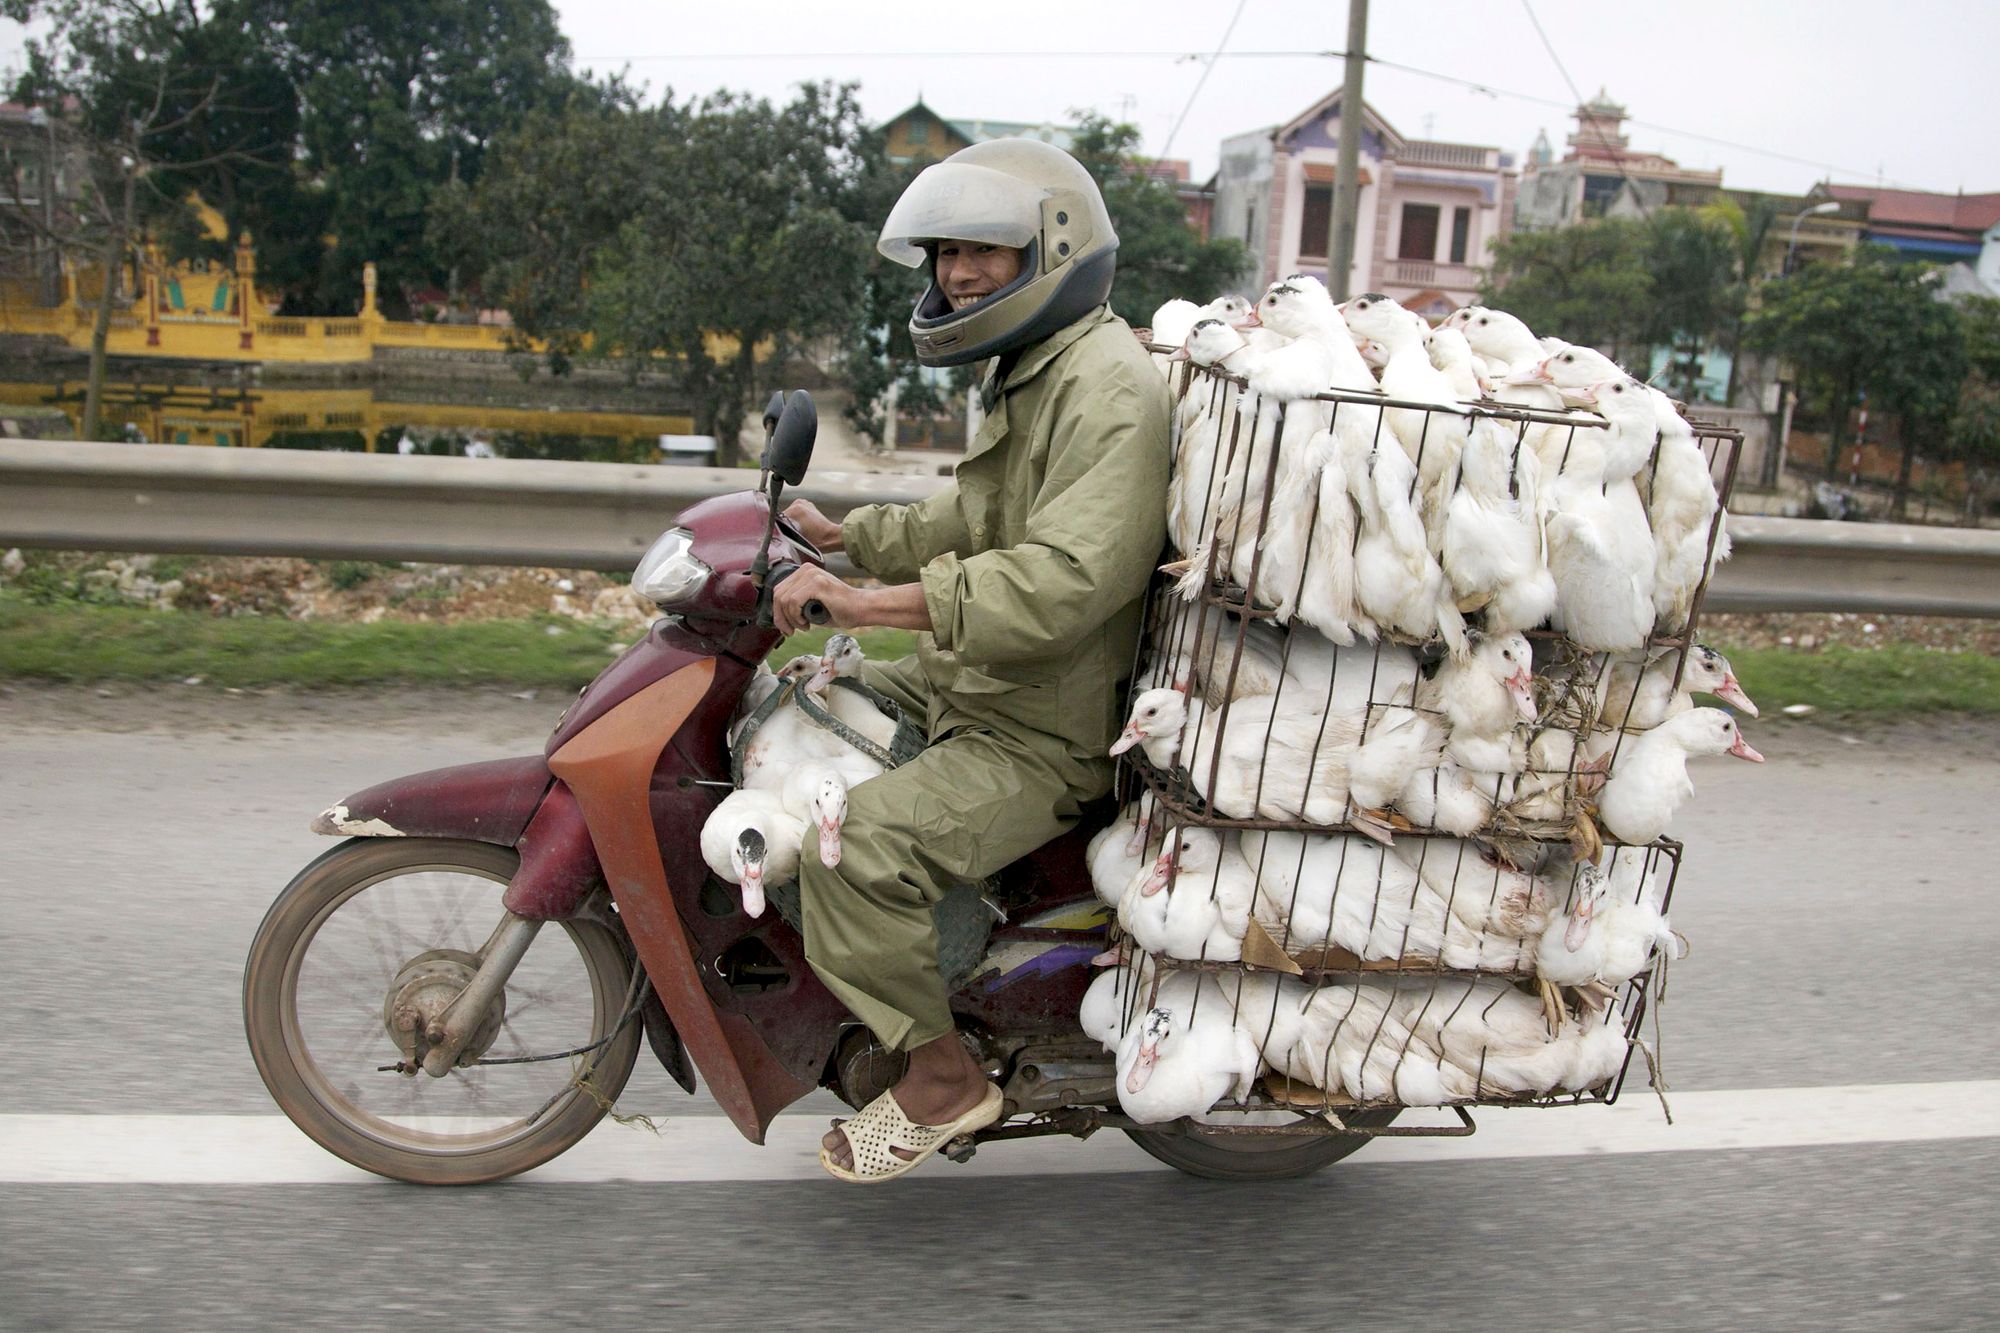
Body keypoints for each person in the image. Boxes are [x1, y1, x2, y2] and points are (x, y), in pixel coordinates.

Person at [770, 137, 1170, 1182]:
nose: (953, 274)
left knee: (849, 846)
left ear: (1056, 247)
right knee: (802, 694)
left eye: (981, 251)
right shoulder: (1035, 371)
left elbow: (1056, 584)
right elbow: (970, 514)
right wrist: (843, 537)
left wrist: (867, 600)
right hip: (981, 684)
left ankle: (942, 1077)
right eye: (945, 252)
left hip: (1039, 729)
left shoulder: (1108, 389)